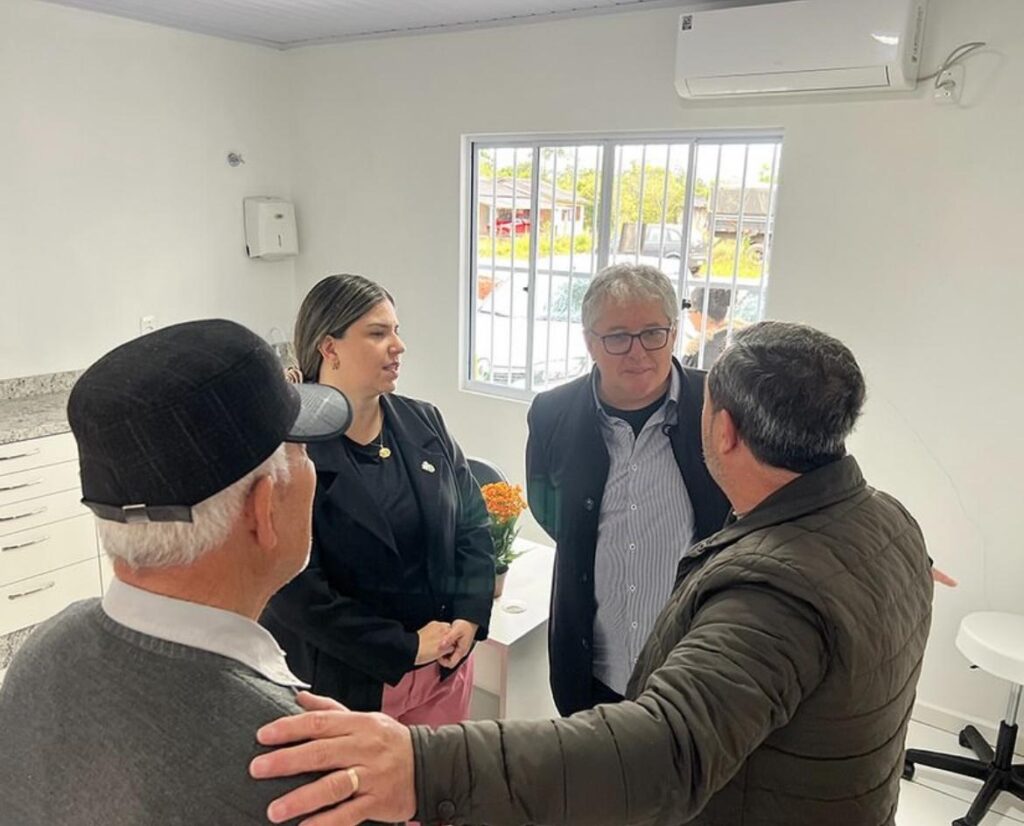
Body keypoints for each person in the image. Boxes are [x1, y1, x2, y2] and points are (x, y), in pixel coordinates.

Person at [248, 320, 935, 826]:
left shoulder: (771, 594)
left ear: (723, 430)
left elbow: (663, 750)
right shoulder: (889, 523)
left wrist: (425, 767)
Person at [0, 319, 352, 824]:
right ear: (263, 510)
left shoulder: (39, 655)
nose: (312, 467)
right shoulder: (296, 769)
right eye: (301, 450)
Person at [261, 274, 494, 725]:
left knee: (440, 772)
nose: (398, 346)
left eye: (396, 330)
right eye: (377, 333)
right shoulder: (290, 450)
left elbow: (472, 524)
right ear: (329, 348)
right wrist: (405, 647)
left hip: (444, 668)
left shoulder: (424, 422)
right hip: (349, 684)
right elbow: (294, 591)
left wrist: (469, 615)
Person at [526, 263, 730, 714]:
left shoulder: (718, 406)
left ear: (673, 333)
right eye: (617, 337)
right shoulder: (551, 413)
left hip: (692, 668)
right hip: (593, 666)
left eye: (653, 333)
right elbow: (547, 508)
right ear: (589, 341)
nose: (637, 353)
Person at [682, 285, 732, 368]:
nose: (688, 316)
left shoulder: (696, 353)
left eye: (690, 311)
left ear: (700, 314)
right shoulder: (736, 338)